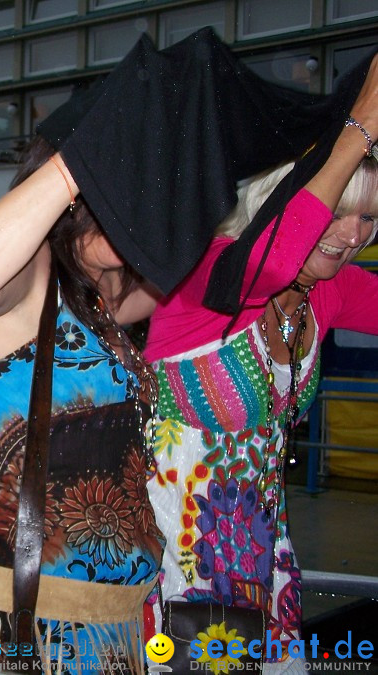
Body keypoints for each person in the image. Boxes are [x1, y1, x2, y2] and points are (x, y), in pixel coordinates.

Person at [144, 60, 378, 672]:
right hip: (172, 577)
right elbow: (269, 265)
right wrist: (360, 127)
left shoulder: (324, 292)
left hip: (265, 571)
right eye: (340, 209)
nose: (352, 234)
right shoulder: (206, 272)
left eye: (370, 218)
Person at [0, 136, 163, 675]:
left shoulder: (101, 304)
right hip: (41, 620)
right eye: (111, 195)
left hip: (126, 615)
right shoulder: (32, 274)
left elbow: (200, 264)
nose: (128, 213)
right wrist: (84, 153)